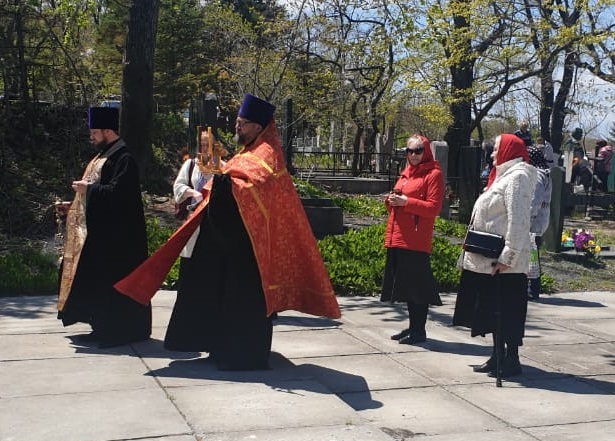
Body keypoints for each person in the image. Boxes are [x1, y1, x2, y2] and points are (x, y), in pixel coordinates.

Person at [114, 94, 340, 370]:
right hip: (231, 244)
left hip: (251, 250)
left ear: (257, 127)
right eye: (237, 121)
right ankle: (221, 348)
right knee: (221, 295)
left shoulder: (267, 154)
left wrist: (224, 183)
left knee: (243, 301)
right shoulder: (246, 152)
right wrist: (220, 184)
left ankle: (242, 356)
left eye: (242, 123)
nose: (237, 126)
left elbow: (252, 186)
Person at [56, 107, 151, 349]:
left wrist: (88, 190)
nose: (91, 137)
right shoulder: (102, 157)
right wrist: (72, 206)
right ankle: (100, 328)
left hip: (121, 240)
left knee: (116, 286)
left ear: (108, 131)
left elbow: (119, 195)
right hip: (102, 236)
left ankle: (122, 331)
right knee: (98, 284)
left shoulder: (124, 159)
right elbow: (98, 195)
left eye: (95, 133)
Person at [453, 133, 537, 378]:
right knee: (493, 310)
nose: (491, 154)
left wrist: (507, 257)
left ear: (508, 150)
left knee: (507, 312)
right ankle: (497, 355)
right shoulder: (502, 176)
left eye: (496, 149)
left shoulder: (518, 177)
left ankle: (511, 360)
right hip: (490, 259)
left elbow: (519, 221)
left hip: (505, 264)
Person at [382, 135, 444, 345]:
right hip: (398, 236)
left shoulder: (433, 174)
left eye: (418, 150)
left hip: (416, 240)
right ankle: (413, 327)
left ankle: (419, 331)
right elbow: (398, 202)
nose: (414, 155)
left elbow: (433, 208)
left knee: (417, 288)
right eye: (410, 151)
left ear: (425, 151)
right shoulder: (406, 173)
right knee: (407, 287)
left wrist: (406, 202)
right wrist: (391, 201)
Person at [164, 130, 219, 349]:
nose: (205, 149)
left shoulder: (221, 166)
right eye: (202, 145)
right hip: (193, 224)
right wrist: (192, 193)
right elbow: (178, 186)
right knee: (189, 273)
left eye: (208, 144)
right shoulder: (190, 165)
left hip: (212, 226)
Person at [527, 146, 552, 300]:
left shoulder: (537, 175)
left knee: (532, 256)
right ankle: (533, 287)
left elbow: (534, 201)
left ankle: (532, 288)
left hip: (534, 222)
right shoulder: (545, 173)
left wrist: (527, 219)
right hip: (540, 220)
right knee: (533, 255)